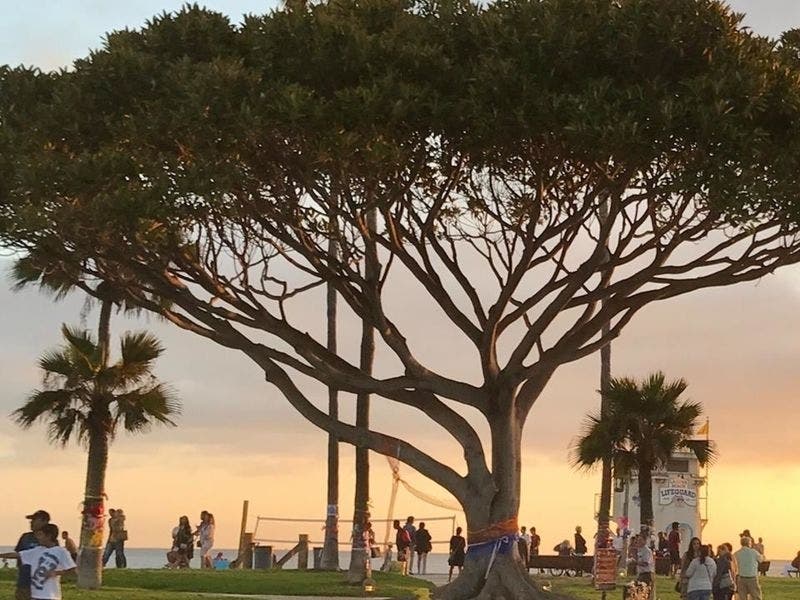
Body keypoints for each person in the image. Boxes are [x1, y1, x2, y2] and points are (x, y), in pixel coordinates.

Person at [1, 523, 76, 600]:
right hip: (35, 595)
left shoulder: (61, 552)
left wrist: (55, 573)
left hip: (50, 596)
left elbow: (72, 570)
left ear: (49, 536)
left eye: (40, 535)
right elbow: (17, 555)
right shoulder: (36, 550)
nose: (38, 538)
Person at [12, 510, 50, 600]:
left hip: (42, 584)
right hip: (24, 581)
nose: (31, 522)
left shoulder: (50, 540)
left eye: (34, 520)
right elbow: (19, 556)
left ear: (44, 521)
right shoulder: (25, 537)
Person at [733, 535, 763, 600]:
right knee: (756, 596)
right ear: (749, 543)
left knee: (742, 597)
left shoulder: (737, 553)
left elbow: (734, 564)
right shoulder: (754, 552)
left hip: (741, 578)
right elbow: (761, 560)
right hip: (752, 578)